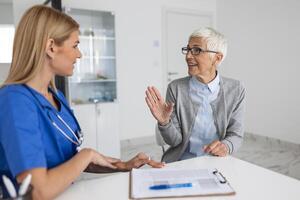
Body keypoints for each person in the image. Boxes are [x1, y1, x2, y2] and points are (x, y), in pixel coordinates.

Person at [0, 5, 163, 199]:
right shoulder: (15, 101)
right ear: (51, 47)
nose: (79, 55)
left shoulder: (55, 95)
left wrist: (121, 165)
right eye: (75, 45)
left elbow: (68, 161)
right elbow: (37, 190)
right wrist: (87, 155)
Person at [145, 27, 245, 163]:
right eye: (188, 50)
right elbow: (175, 141)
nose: (188, 56)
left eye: (196, 50)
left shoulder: (236, 89)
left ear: (217, 58)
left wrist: (226, 146)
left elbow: (236, 135)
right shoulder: (176, 88)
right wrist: (164, 122)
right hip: (183, 161)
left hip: (218, 161)